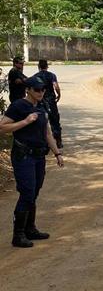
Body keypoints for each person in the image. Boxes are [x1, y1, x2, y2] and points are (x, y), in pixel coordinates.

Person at [0, 76, 64, 248]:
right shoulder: (19, 106)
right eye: (37, 89)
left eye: (43, 89)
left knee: (34, 192)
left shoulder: (42, 106)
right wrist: (25, 121)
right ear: (28, 90)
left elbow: (47, 133)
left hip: (38, 156)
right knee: (27, 192)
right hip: (23, 155)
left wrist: (57, 153)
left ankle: (30, 229)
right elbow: (3, 127)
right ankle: (18, 235)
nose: (41, 92)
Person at [36, 59, 63, 149]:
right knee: (55, 120)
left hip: (40, 101)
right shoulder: (51, 75)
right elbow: (56, 86)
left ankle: (44, 143)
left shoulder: (36, 77)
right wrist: (59, 94)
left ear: (39, 67)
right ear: (47, 66)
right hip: (51, 100)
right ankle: (58, 141)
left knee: (41, 121)